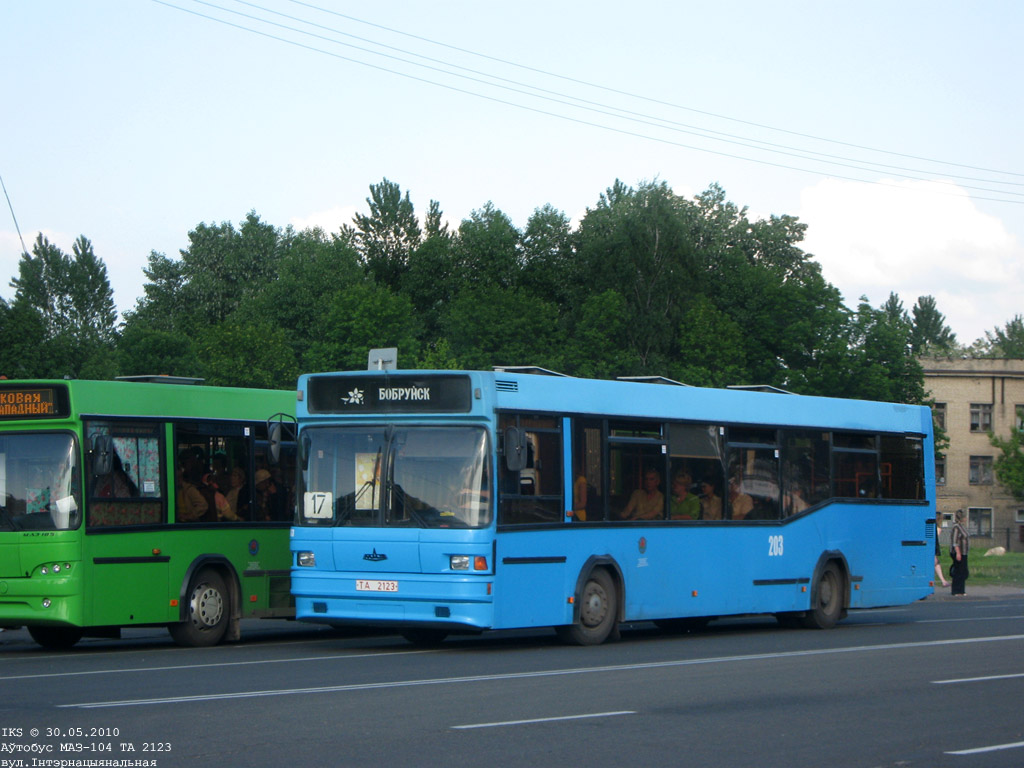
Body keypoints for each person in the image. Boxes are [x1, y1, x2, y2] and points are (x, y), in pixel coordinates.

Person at [950, 509, 970, 596]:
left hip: (964, 552)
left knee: (963, 571)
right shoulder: (956, 527)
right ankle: (956, 590)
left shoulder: (961, 526)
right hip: (959, 552)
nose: (966, 518)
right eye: (965, 517)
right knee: (958, 571)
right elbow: (955, 541)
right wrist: (958, 553)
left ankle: (961, 590)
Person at [934, 521, 950, 588]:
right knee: (935, 563)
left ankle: (943, 581)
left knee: (936, 563)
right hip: (933, 548)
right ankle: (943, 581)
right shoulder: (937, 528)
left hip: (932, 548)